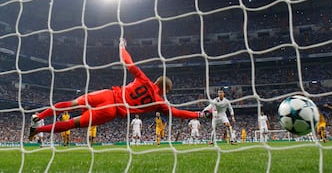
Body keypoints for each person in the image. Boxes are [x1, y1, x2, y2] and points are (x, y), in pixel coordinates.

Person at [29, 38, 205, 141]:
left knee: (71, 103)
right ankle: (38, 130)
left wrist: (122, 46)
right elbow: (177, 112)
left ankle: (40, 116)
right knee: (73, 123)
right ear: (165, 89)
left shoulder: (144, 79)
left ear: (156, 81)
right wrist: (198, 114)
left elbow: (128, 62)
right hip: (111, 111)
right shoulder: (159, 103)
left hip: (108, 95)